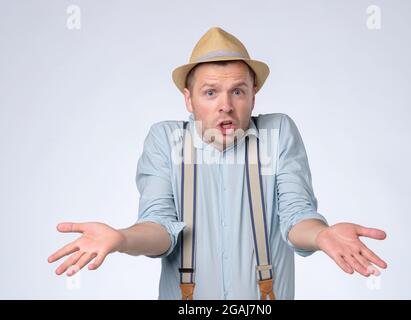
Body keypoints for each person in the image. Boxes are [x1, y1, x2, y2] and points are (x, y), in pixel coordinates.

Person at [48, 27, 387, 300]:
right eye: (210, 92)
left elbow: (297, 217)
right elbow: (160, 228)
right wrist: (121, 238)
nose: (225, 105)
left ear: (253, 94)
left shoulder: (278, 131)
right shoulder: (166, 140)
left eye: (238, 91)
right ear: (188, 99)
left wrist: (323, 235)